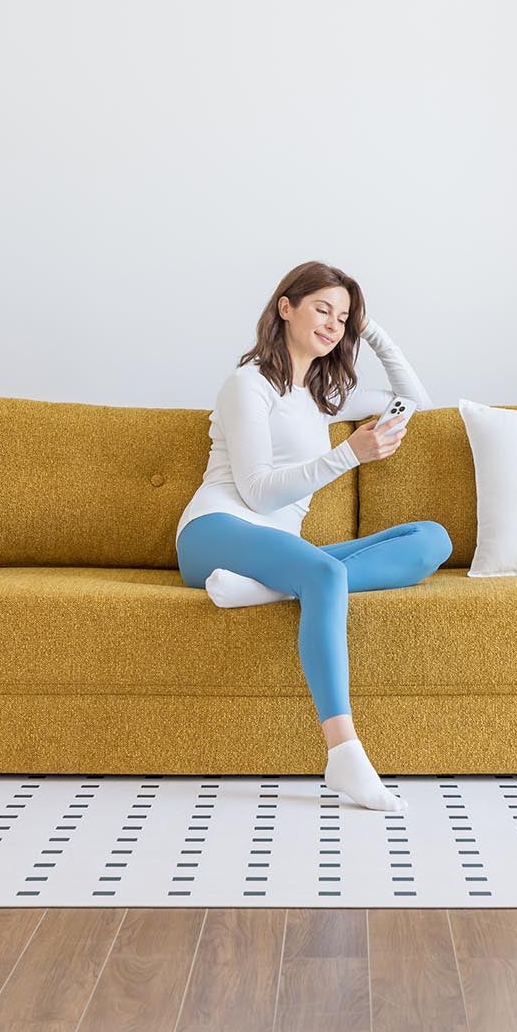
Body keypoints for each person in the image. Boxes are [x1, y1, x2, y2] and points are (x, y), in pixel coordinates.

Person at [173, 260, 451, 812]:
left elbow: (413, 398)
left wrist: (369, 328)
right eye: (321, 308)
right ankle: (344, 753)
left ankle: (271, 587)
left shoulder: (323, 395)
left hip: (273, 555)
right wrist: (350, 453)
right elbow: (256, 493)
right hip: (215, 531)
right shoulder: (248, 384)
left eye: (342, 317)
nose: (332, 323)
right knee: (324, 573)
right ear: (286, 307)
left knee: (432, 539)